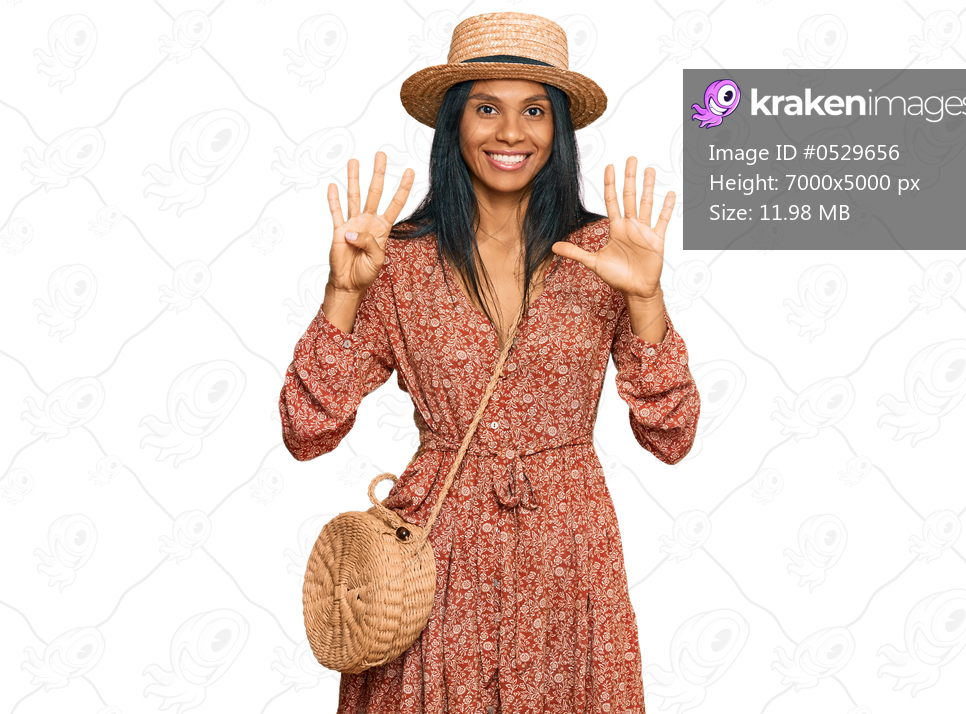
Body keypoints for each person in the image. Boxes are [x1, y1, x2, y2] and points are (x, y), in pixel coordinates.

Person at [278, 11, 701, 714]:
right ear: (454, 125)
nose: (511, 132)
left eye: (534, 110)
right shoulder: (400, 260)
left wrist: (648, 299)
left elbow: (672, 436)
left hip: (568, 547)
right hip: (438, 552)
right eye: (487, 108)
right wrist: (344, 292)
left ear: (558, 131)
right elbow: (305, 430)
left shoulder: (608, 254)